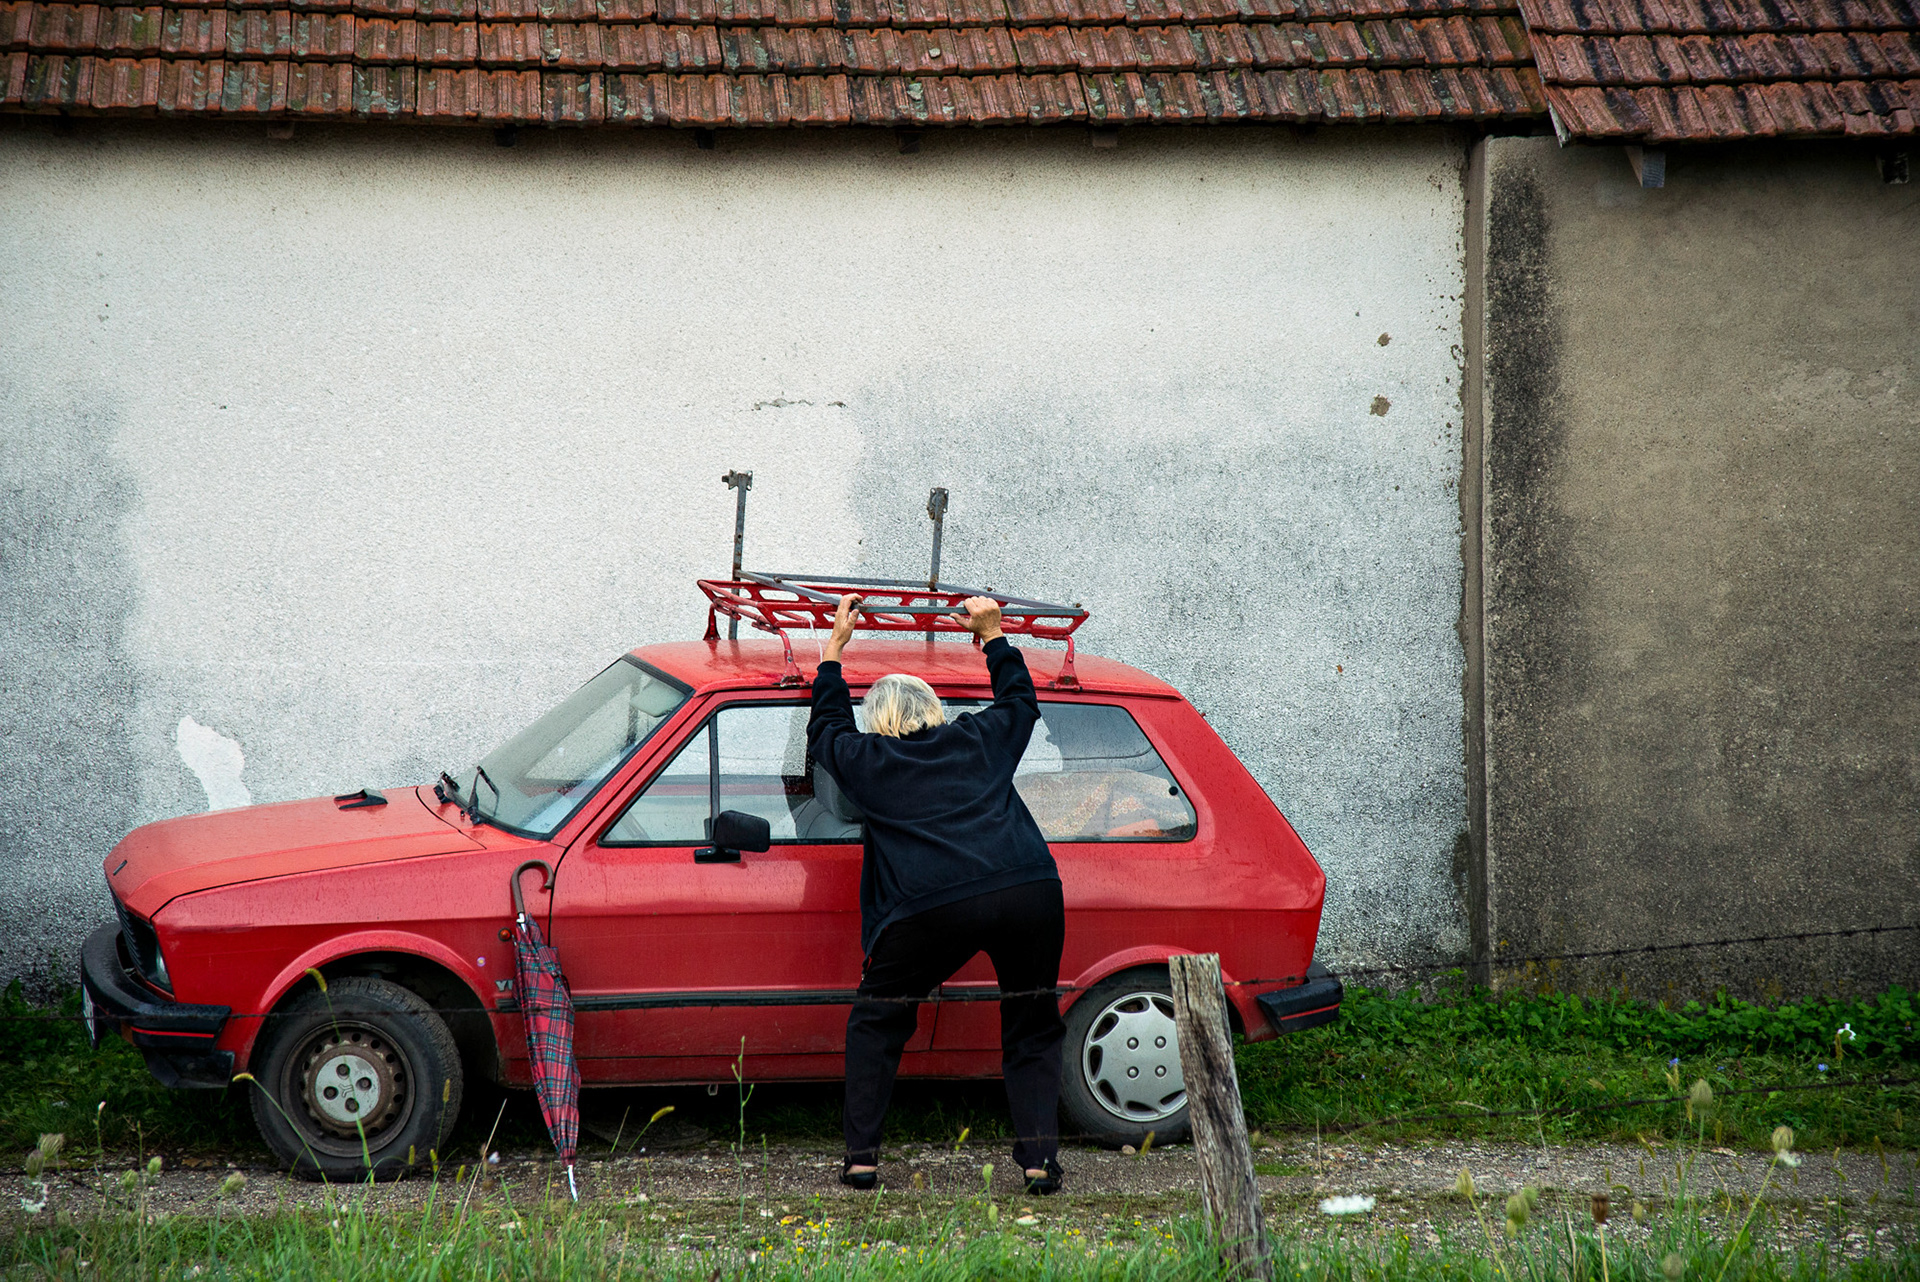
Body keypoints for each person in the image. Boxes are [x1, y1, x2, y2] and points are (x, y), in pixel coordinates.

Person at [807, 592, 1067, 1196]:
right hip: (1027, 888)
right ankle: (1038, 1162)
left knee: (877, 1022)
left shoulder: (868, 759)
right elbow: (1020, 704)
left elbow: (826, 728)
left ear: (877, 719)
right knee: (1032, 1022)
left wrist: (834, 653)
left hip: (930, 906)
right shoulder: (977, 740)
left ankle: (862, 1161)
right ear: (933, 709)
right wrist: (994, 636)